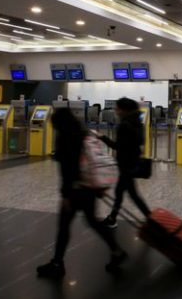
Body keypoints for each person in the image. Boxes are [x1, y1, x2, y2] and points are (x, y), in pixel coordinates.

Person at [37, 108, 127, 279]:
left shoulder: (64, 138)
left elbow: (67, 169)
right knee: (93, 221)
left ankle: (57, 264)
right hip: (89, 186)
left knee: (64, 226)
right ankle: (116, 250)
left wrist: (65, 195)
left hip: (75, 190)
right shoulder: (83, 133)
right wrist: (97, 185)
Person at [99, 98, 151, 229]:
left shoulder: (124, 125)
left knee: (131, 194)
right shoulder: (137, 122)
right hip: (132, 162)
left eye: (117, 108)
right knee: (121, 192)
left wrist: (102, 138)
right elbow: (139, 142)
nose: (115, 111)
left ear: (124, 110)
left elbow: (118, 146)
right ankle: (112, 218)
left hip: (125, 164)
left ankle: (151, 219)